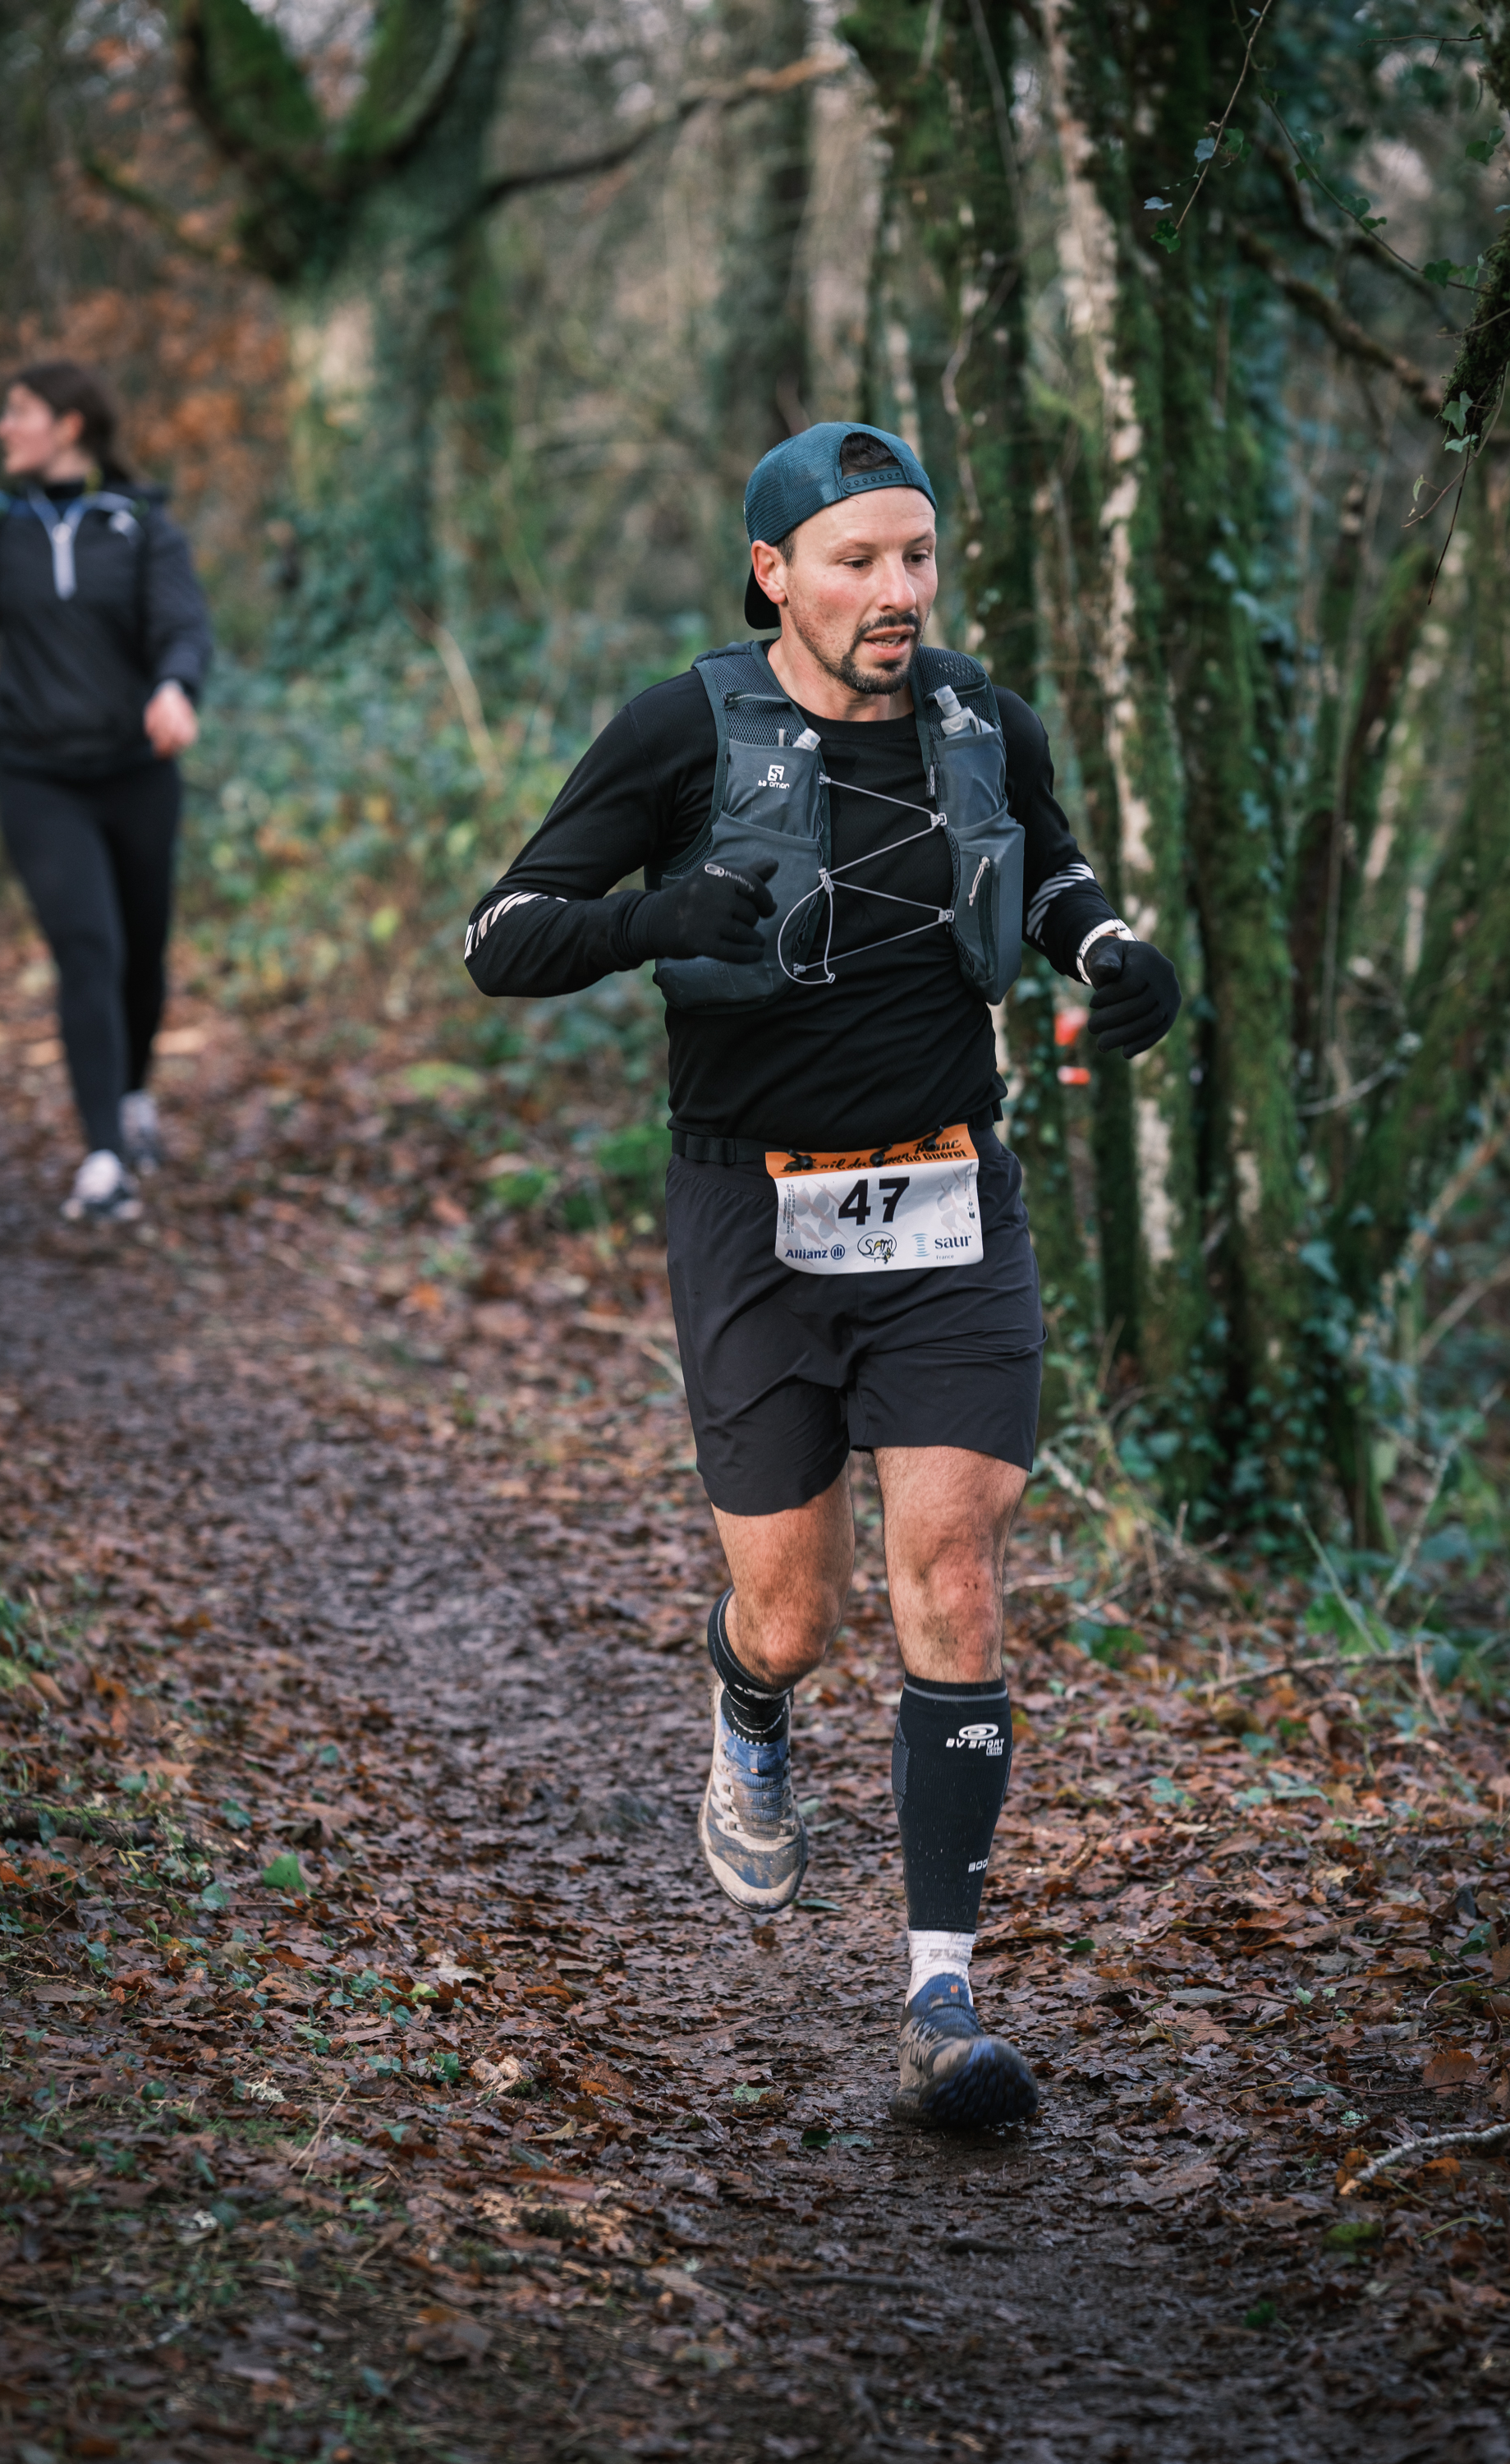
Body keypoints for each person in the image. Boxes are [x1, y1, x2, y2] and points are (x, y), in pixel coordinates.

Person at [464, 425, 1180, 2129]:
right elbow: (502, 938)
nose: (897, 591)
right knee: (798, 1614)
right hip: (753, 1214)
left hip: (949, 1202)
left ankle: (942, 2000)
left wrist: (1107, 949)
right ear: (774, 573)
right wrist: (652, 919)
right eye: (857, 560)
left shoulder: (979, 720)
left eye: (916, 555)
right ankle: (748, 1697)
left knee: (955, 1574)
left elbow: (1048, 863)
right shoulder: (680, 730)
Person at [0, 360, 213, 1223]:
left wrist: (175, 687)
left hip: (136, 773)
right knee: (87, 947)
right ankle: (104, 1158)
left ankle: (131, 1097)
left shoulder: (140, 524)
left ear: (69, 425)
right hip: (37, 776)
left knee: (141, 952)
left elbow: (182, 624)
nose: (3, 428)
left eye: (19, 412)